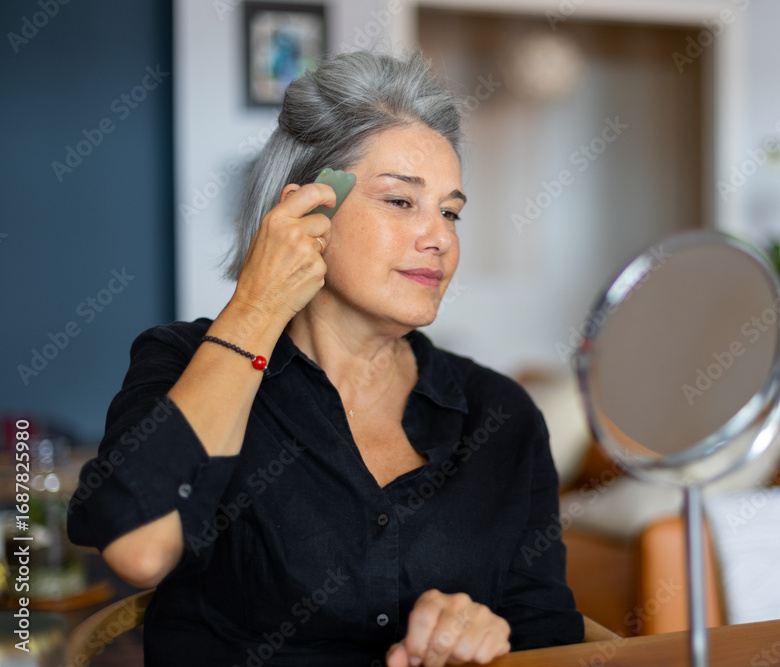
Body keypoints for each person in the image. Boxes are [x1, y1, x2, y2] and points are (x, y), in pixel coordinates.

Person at [67, 51, 583, 666]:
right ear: (308, 212)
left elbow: (548, 634)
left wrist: (484, 635)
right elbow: (140, 550)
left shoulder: (500, 413)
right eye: (401, 201)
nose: (441, 238)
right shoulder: (181, 362)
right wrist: (257, 306)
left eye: (450, 212)